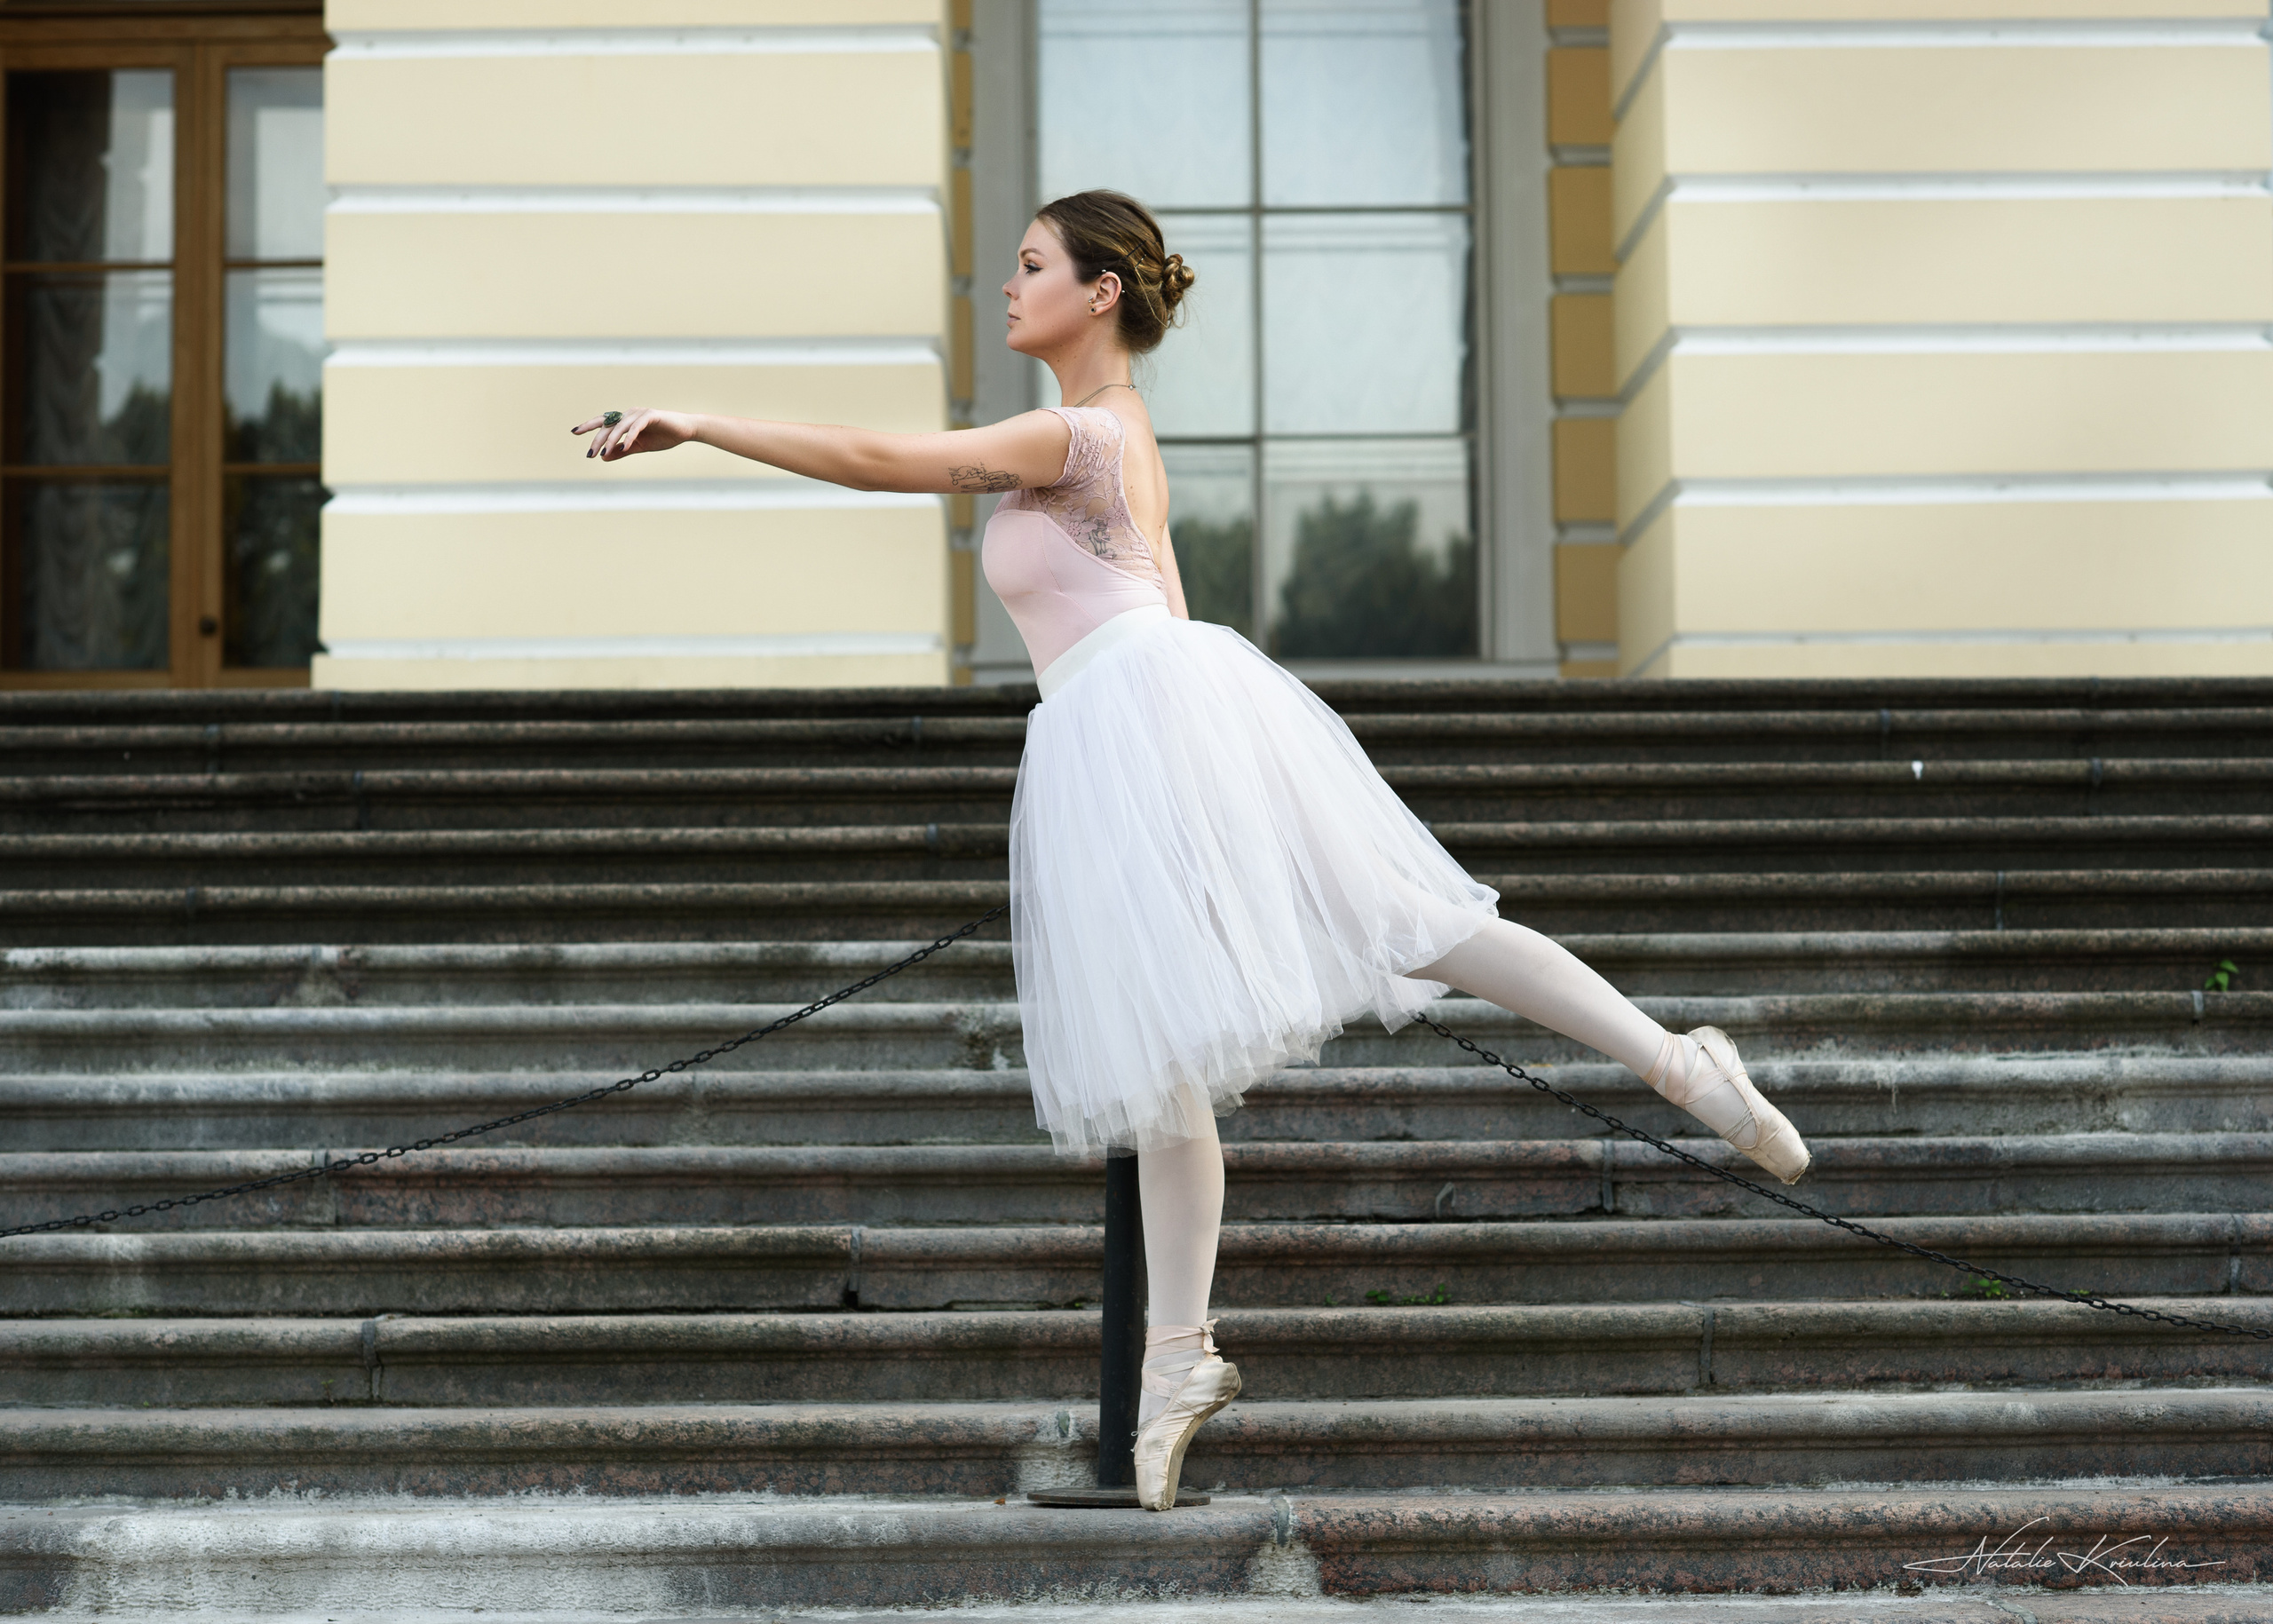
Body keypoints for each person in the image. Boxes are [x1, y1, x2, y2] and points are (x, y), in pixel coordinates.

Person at [572, 188, 1811, 1512]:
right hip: (1138, 717)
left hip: (1143, 716)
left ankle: (1679, 1067)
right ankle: (1183, 1358)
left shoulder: (1076, 430)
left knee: (1395, 931)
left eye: (1033, 263)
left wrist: (702, 422)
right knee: (1238, 1016)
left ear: (1099, 291)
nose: (1009, 284)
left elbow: (891, 458)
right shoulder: (1121, 432)